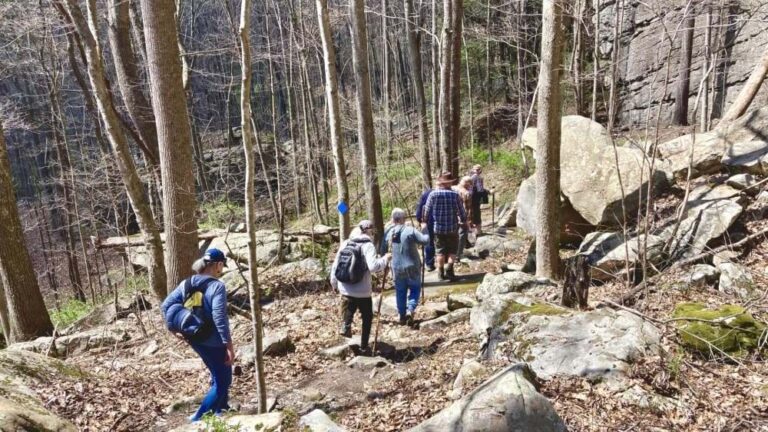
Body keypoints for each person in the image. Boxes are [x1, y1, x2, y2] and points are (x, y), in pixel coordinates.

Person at [161, 248, 234, 423]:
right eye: (222, 266)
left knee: (217, 373)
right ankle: (198, 419)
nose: (222, 269)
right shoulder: (217, 286)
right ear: (218, 264)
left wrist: (172, 327)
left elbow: (166, 305)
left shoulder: (188, 282)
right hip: (213, 340)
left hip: (193, 337)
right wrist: (228, 344)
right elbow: (219, 317)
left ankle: (221, 409)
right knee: (223, 381)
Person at [330, 220, 391, 355]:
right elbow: (373, 267)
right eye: (372, 231)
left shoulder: (346, 243)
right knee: (367, 318)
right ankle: (364, 346)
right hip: (362, 290)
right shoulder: (368, 245)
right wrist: (385, 259)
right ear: (369, 231)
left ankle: (346, 325)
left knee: (350, 306)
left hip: (345, 286)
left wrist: (334, 283)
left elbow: (336, 265)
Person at [380, 208, 430, 326]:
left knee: (400, 291)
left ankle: (402, 315)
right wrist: (424, 229)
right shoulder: (410, 230)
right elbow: (425, 241)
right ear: (404, 218)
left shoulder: (388, 233)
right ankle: (410, 309)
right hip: (412, 266)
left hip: (396, 268)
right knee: (415, 288)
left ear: (392, 219)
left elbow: (382, 251)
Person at [423, 172, 467, 280]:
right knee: (452, 251)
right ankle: (450, 271)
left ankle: (440, 273)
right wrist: (464, 221)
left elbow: (426, 210)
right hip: (452, 228)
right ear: (450, 183)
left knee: (439, 251)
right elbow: (461, 211)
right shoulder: (455, 195)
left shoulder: (433, 194)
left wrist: (424, 220)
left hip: (438, 228)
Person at [415, 185, 436, 271]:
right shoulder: (449, 192)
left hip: (428, 221)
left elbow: (420, 208)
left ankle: (429, 263)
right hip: (439, 221)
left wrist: (420, 219)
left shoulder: (426, 194)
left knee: (429, 242)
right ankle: (441, 261)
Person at [452, 176, 473, 260]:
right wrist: (469, 220)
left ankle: (450, 254)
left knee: (453, 235)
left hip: (451, 216)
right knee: (462, 235)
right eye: (470, 185)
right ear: (467, 184)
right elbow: (467, 208)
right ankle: (457, 255)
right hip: (461, 218)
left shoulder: (452, 188)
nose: (470, 186)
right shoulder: (466, 193)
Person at [470, 164, 486, 235]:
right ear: (473, 170)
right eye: (475, 169)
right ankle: (478, 231)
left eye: (478, 169)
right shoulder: (477, 177)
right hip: (475, 198)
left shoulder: (471, 177)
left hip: (471, 198)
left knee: (473, 213)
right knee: (476, 213)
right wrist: (488, 192)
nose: (477, 170)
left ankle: (475, 231)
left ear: (480, 170)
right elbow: (480, 190)